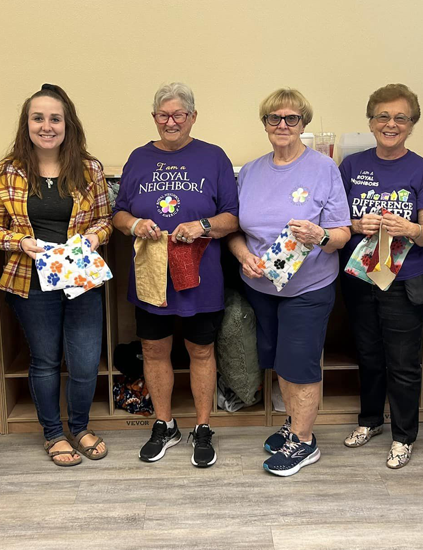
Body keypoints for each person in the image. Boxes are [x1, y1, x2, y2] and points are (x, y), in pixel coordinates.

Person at [0, 84, 112, 467]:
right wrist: (20, 242)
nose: (46, 126)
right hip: (30, 281)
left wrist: (93, 236)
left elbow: (105, 221)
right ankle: (54, 434)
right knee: (44, 361)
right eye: (38, 118)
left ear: (67, 124)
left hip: (80, 280)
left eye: (54, 118)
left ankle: (81, 426)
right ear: (27, 124)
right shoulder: (3, 174)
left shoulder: (89, 169)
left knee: (86, 362)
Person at [112, 82, 238, 468]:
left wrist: (202, 225)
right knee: (153, 348)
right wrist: (135, 225)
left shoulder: (214, 157)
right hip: (152, 274)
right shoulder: (137, 158)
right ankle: (164, 424)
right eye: (163, 115)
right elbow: (118, 214)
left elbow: (232, 218)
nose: (171, 121)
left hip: (200, 274)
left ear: (192, 117)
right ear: (154, 118)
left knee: (201, 349)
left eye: (178, 115)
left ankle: (203, 427)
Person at [228, 88, 351, 476]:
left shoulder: (324, 169)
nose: (282, 125)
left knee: (300, 364)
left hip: (308, 288)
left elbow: (342, 234)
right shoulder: (249, 171)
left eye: (291, 119)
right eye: (274, 118)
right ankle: (293, 425)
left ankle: (305, 440)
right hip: (262, 287)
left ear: (303, 124)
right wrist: (243, 255)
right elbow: (235, 230)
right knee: (280, 362)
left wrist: (321, 236)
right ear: (264, 123)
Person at [338, 84, 423, 468]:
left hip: (405, 281)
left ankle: (403, 435)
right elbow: (334, 222)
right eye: (383, 115)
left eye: (400, 117)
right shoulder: (351, 166)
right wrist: (355, 222)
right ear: (370, 121)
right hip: (360, 276)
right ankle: (370, 421)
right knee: (367, 354)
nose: (390, 123)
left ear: (412, 124)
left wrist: (410, 228)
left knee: (402, 362)